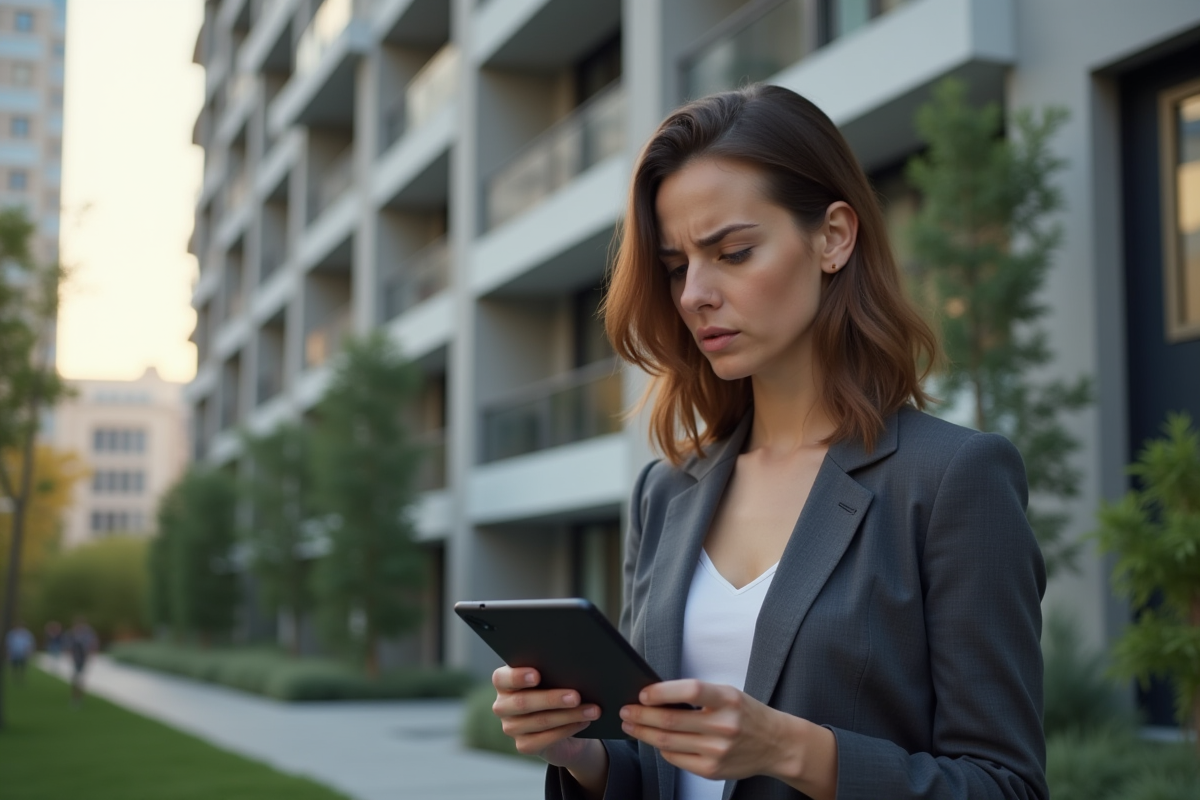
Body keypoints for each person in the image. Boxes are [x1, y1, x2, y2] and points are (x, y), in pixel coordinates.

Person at [490, 85, 1047, 800]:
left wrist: (791, 749)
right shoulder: (666, 492)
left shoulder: (951, 480)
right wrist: (583, 754)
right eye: (675, 266)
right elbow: (655, 770)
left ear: (834, 238)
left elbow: (1007, 787)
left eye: (734, 251)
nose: (694, 293)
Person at [65, 617, 97, 705]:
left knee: (80, 678)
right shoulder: (72, 633)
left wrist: (91, 654)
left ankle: (79, 697)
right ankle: (75, 697)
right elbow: (68, 645)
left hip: (83, 657)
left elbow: (92, 644)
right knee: (76, 678)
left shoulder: (87, 634)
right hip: (76, 658)